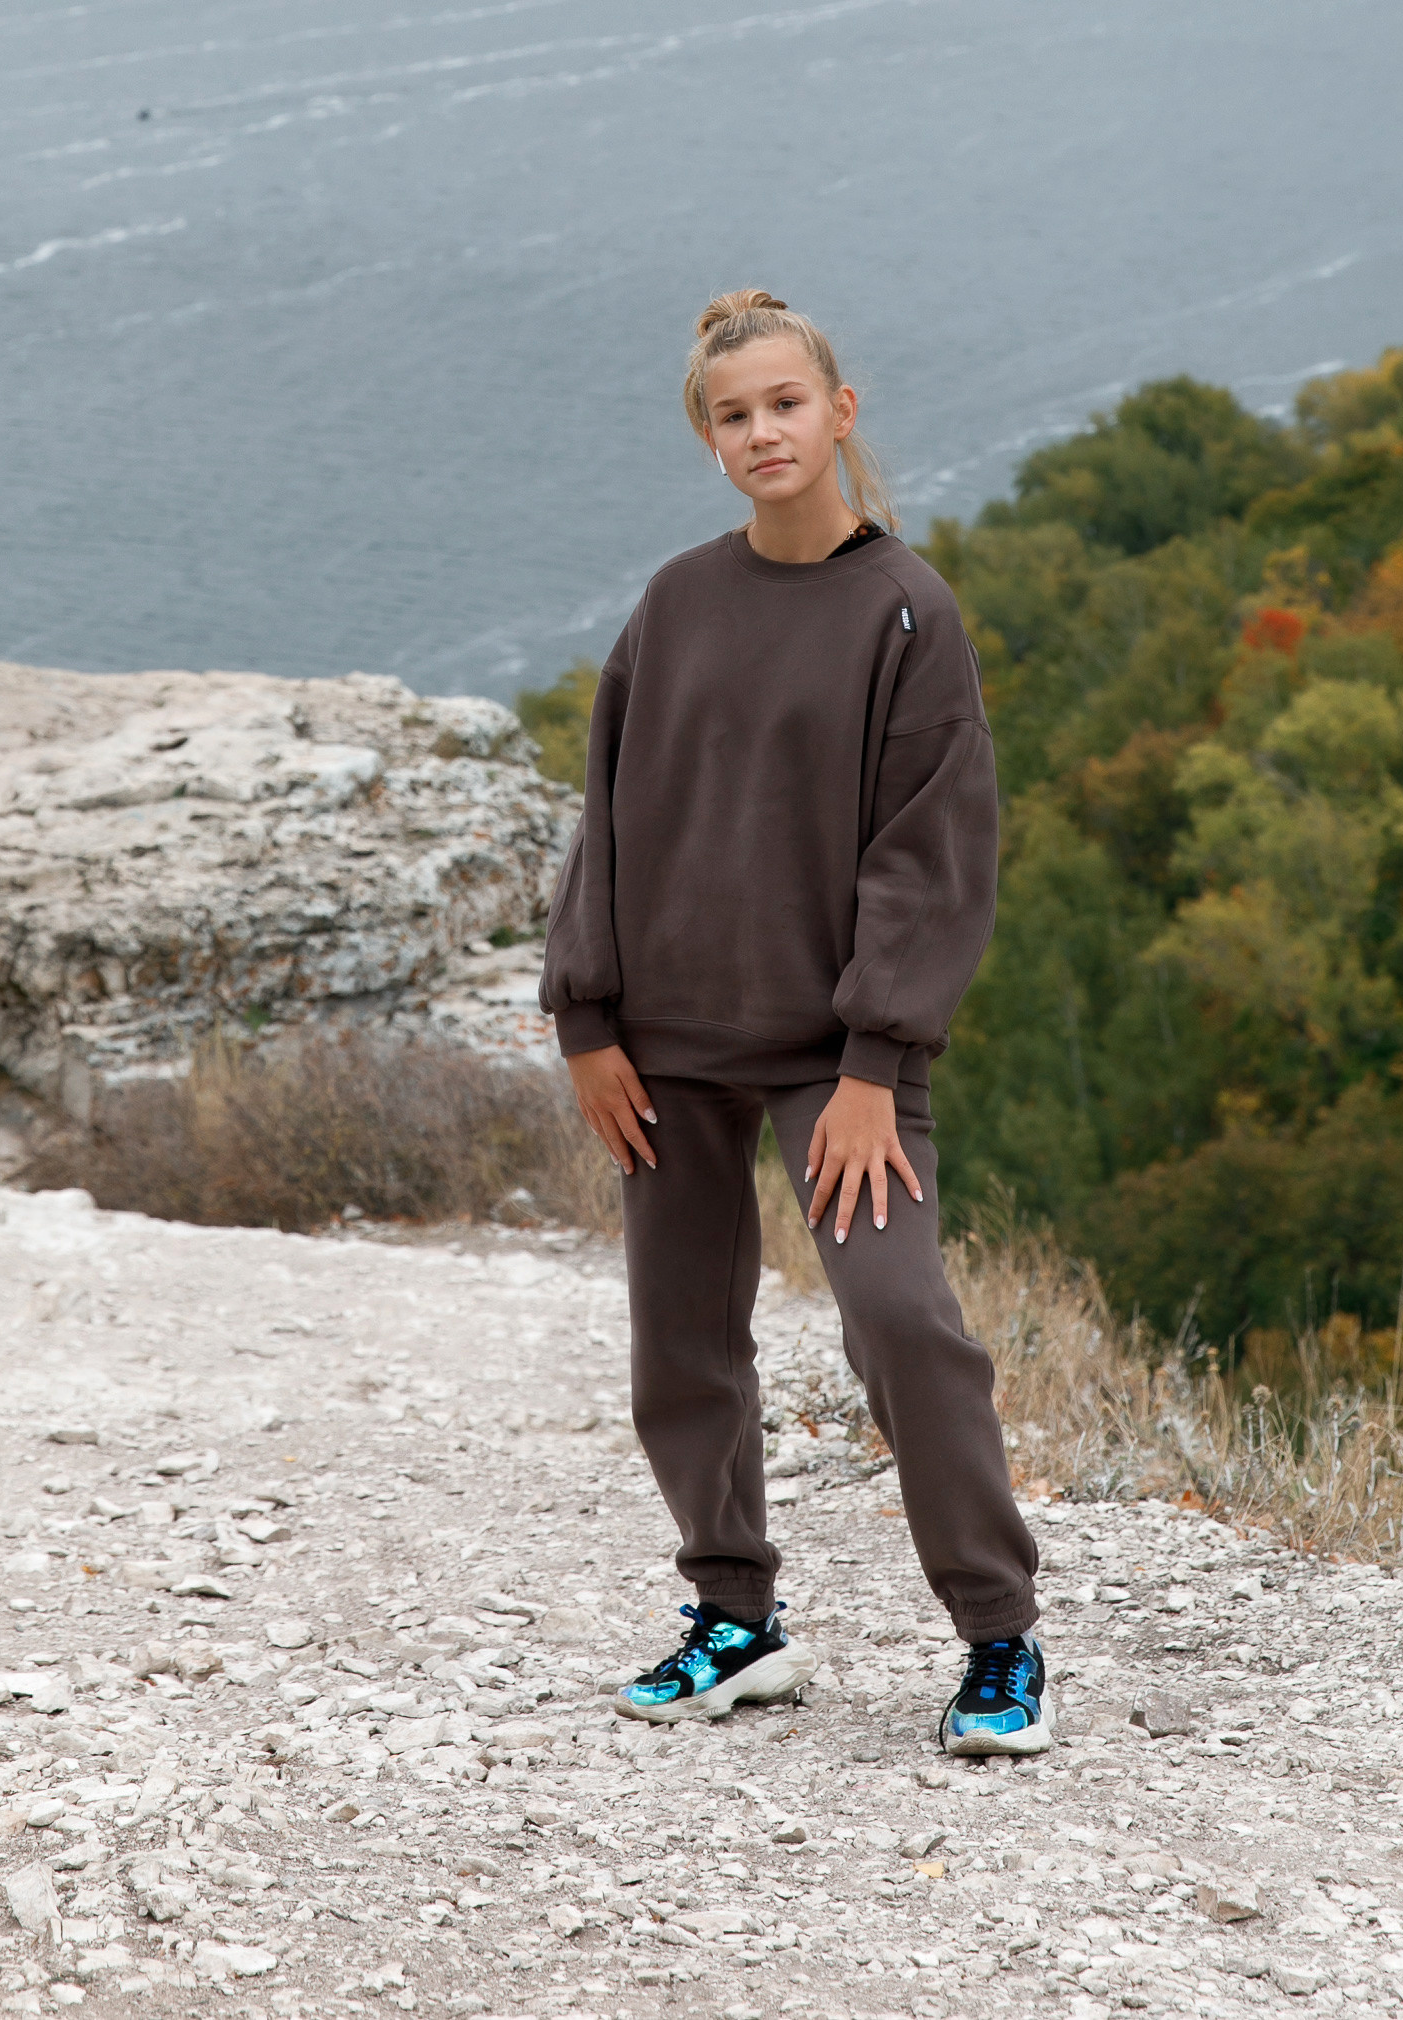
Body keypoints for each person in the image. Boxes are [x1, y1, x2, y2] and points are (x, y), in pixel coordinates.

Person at [539, 286, 1046, 1754]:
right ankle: (733, 1621)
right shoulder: (675, 603)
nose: (762, 431)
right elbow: (610, 819)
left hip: (836, 1064)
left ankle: (1000, 1640)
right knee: (679, 1346)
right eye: (732, 414)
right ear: (708, 440)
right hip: (664, 1047)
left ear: (837, 412)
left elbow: (929, 858)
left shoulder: (907, 612)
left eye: (784, 404)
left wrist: (877, 1064)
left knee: (901, 1325)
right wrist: (585, 1019)